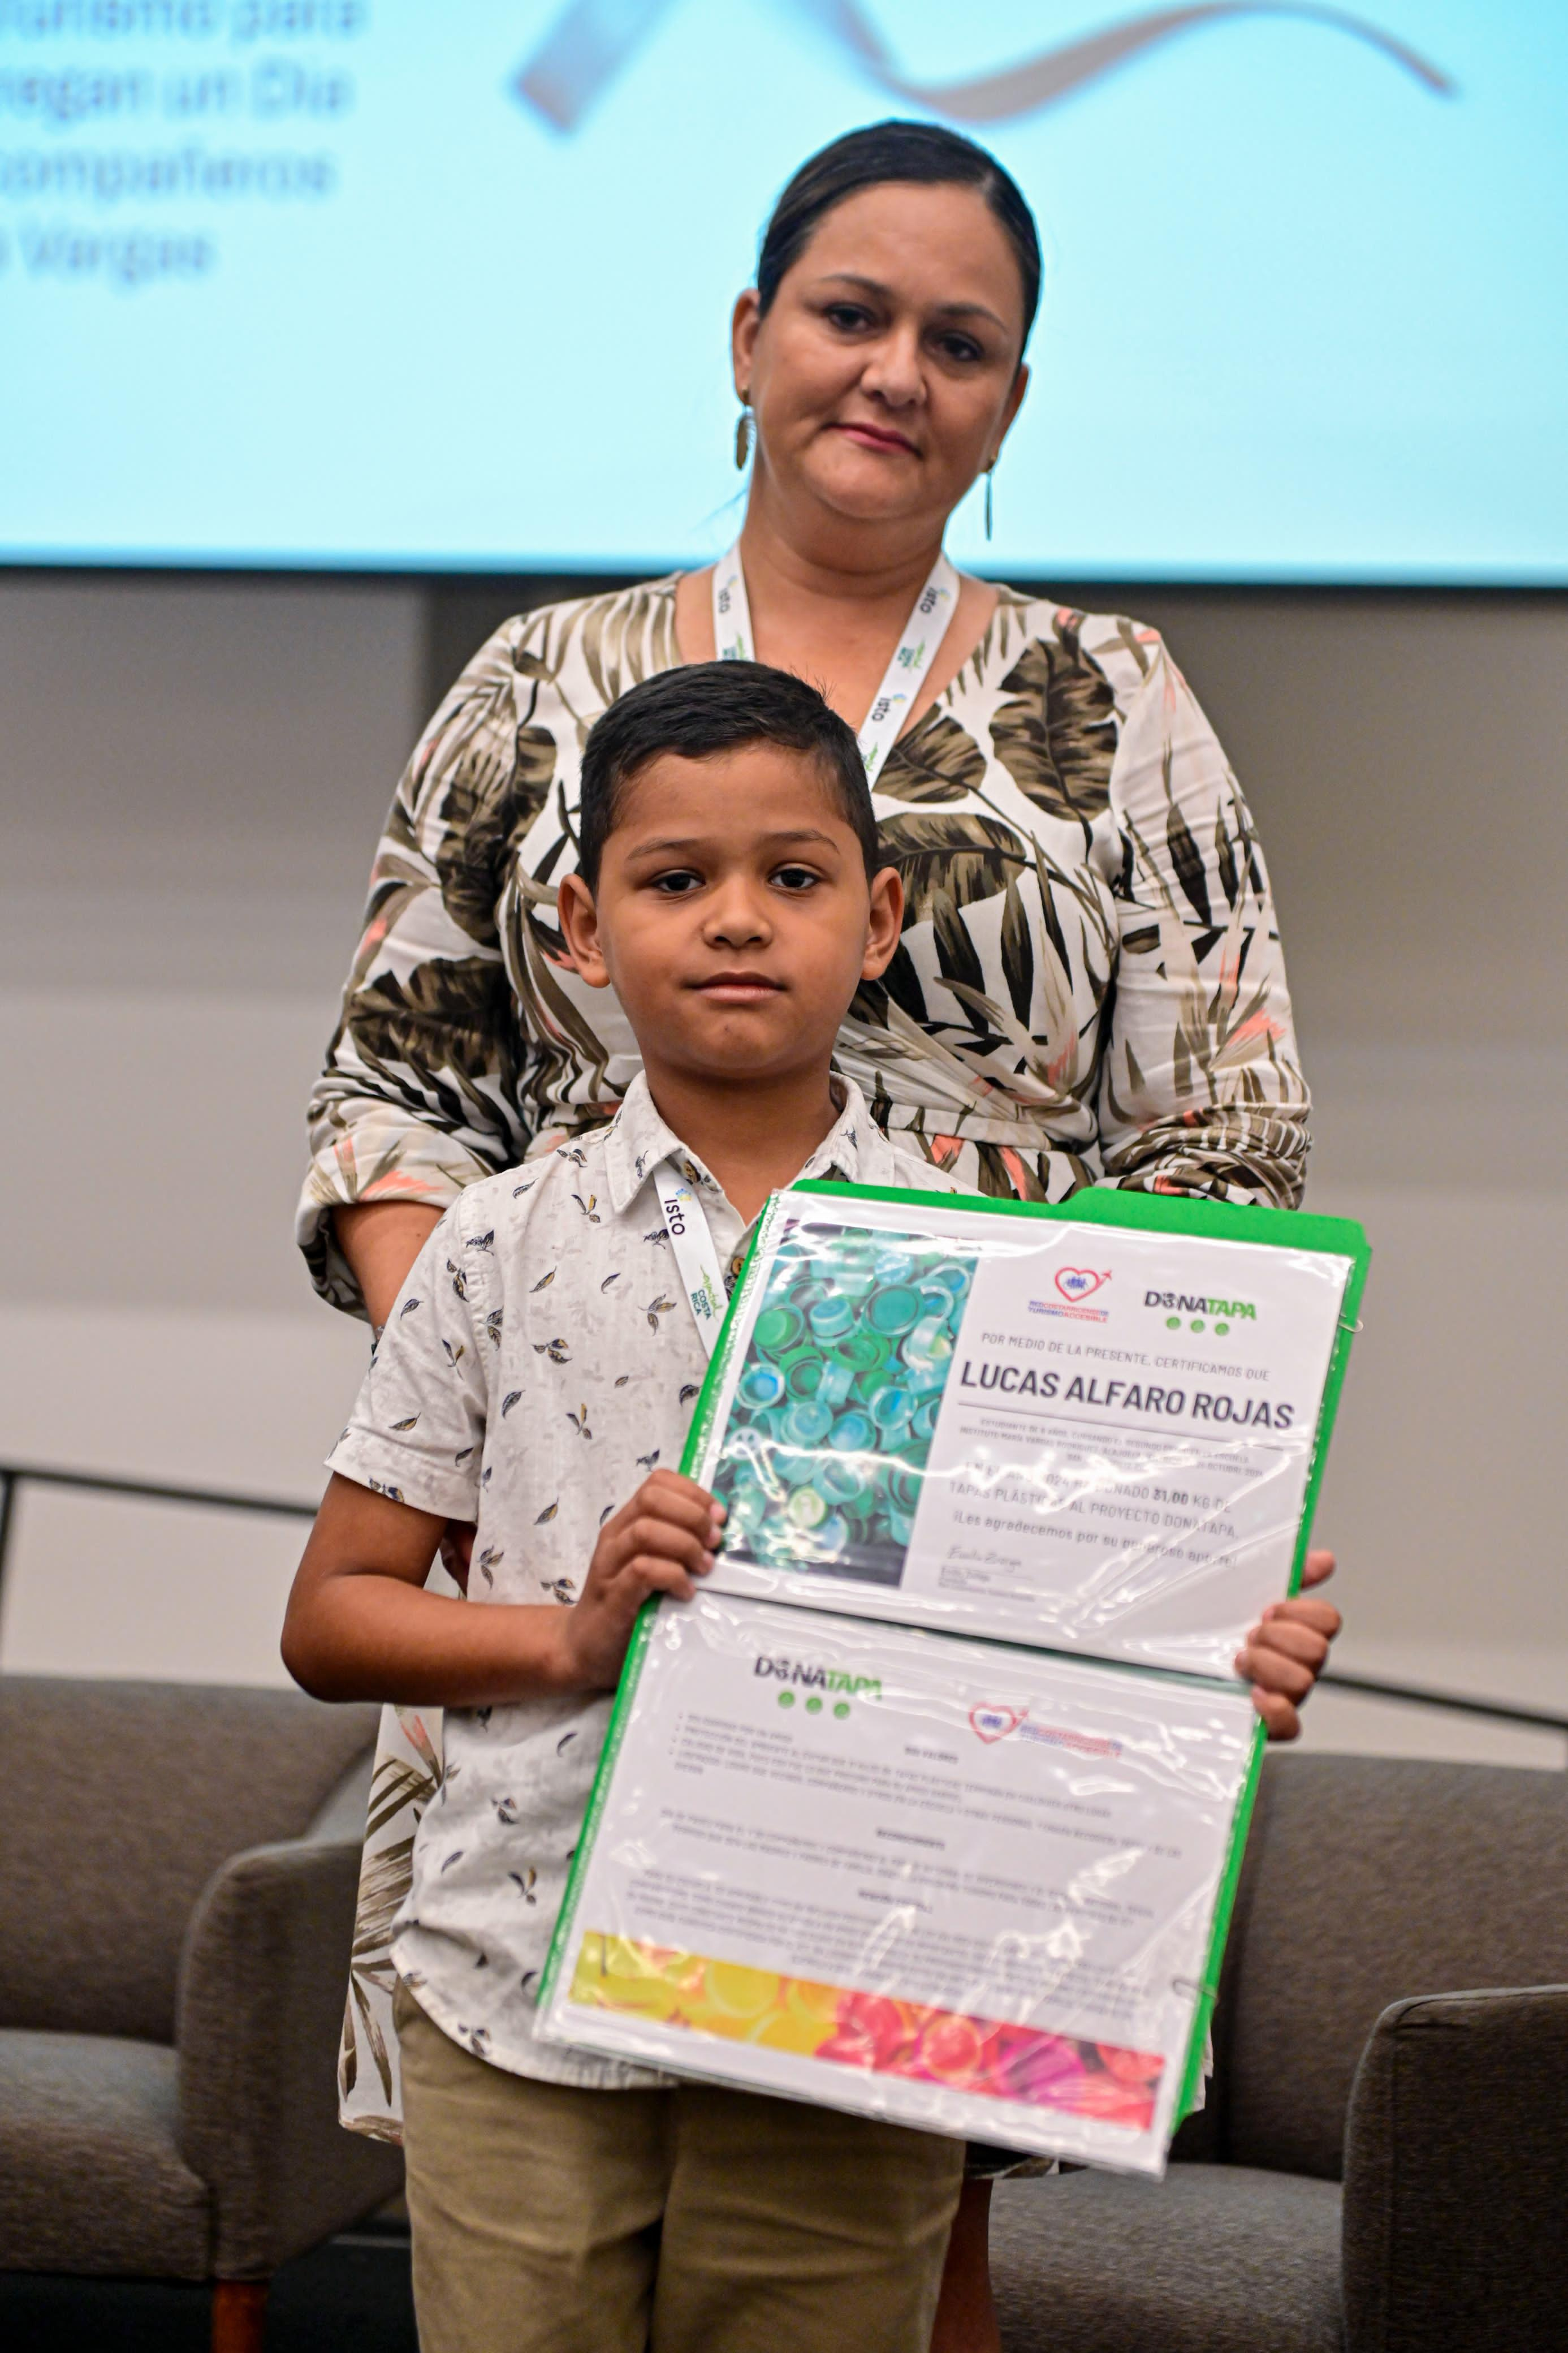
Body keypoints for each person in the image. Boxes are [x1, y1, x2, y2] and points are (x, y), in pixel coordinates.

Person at [299, 119, 1336, 2351]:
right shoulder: (540, 682)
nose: (897, 373)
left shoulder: (1122, 702)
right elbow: (399, 1086)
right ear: (752, 334)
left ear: (1013, 398)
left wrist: (1135, 1546)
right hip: (583, 1534)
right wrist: (519, 1378)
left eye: (961, 343)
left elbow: (1227, 1166)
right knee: (545, 2191)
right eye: (852, 314)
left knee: (894, 2196)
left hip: (963, 1574)